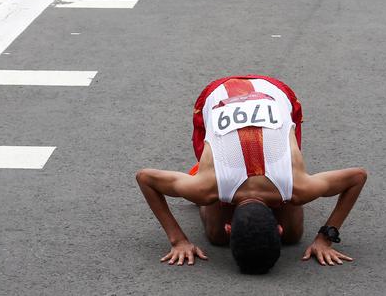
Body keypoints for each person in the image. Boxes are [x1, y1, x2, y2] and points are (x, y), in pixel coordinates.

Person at [135, 75, 367, 273]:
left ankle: (240, 186)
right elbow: (145, 178)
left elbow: (145, 177)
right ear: (278, 228)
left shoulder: (299, 188)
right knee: (285, 232)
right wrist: (325, 238)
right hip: (238, 92)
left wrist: (179, 240)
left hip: (271, 91)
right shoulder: (296, 187)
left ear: (230, 227)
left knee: (285, 227)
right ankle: (213, 175)